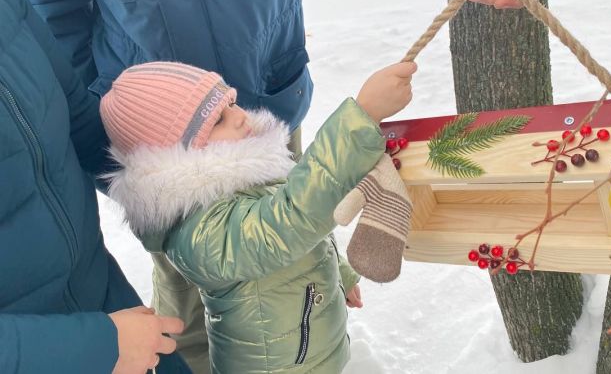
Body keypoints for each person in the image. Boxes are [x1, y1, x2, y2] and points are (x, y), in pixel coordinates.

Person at [0, 0, 556, 369]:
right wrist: (125, 162)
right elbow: (55, 17)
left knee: (293, 248)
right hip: (157, 155)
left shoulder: (243, 117)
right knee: (189, 309)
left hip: (261, 112)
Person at [97, 59, 415, 373]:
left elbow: (301, 227)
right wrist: (360, 120)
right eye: (218, 120)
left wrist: (339, 273)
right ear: (176, 156)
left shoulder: (249, 173)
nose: (238, 116)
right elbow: (287, 222)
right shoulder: (199, 231)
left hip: (314, 353)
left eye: (231, 102)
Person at [0, 0, 190, 373]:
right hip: (63, 352)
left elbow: (73, 111)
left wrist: (189, 184)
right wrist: (95, 348)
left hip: (106, 303)